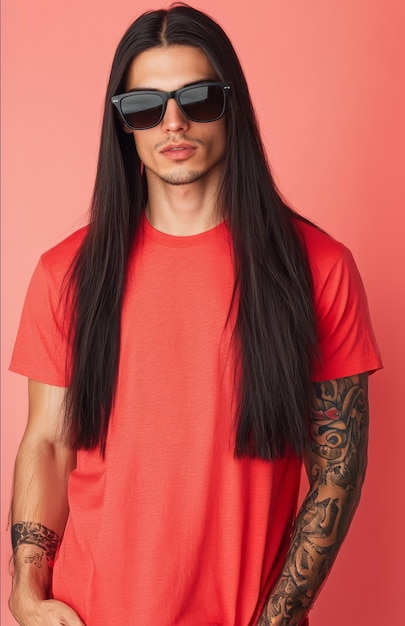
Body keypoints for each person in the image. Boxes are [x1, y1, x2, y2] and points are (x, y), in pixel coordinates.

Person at [8, 4, 382, 626]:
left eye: (198, 97)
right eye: (146, 107)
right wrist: (27, 589)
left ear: (231, 104)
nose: (173, 122)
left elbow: (337, 469)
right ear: (123, 125)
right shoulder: (66, 273)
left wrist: (277, 620)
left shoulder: (318, 267)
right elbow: (48, 442)